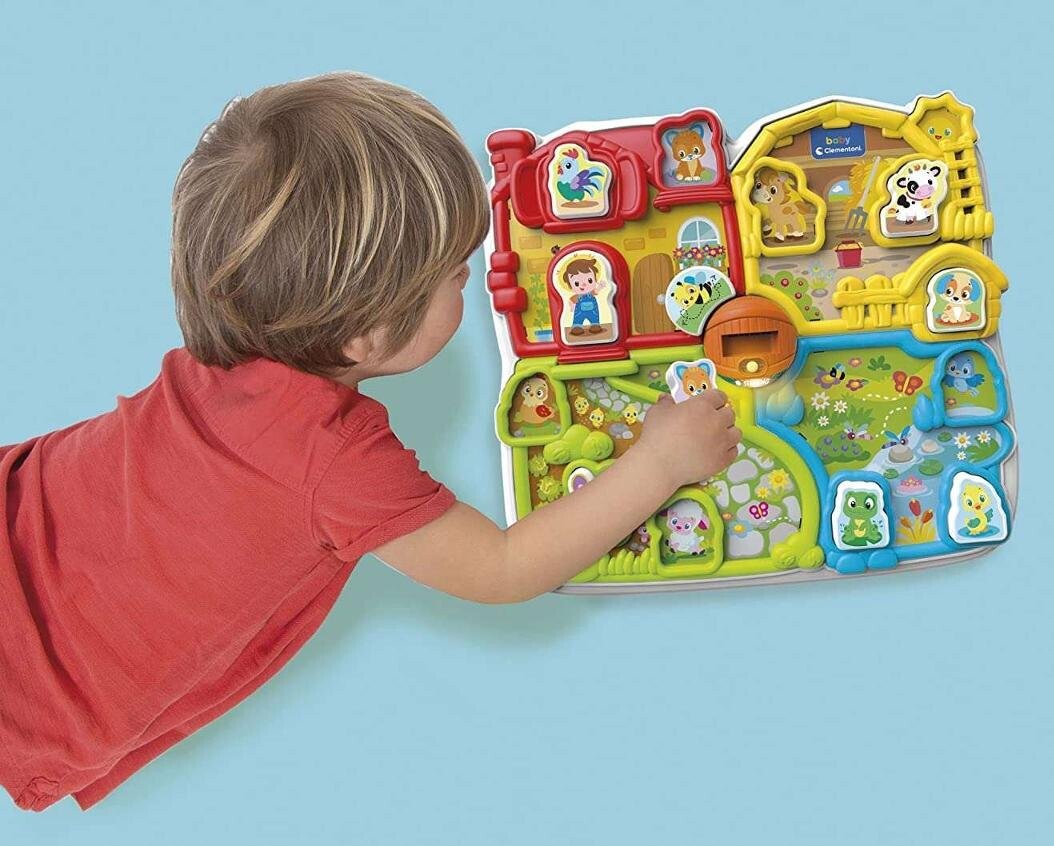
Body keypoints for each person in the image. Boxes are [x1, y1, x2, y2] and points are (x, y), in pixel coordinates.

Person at [0, 72, 740, 812]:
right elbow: (503, 568)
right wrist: (659, 463)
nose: (473, 279)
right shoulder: (338, 464)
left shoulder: (218, 359)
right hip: (27, 689)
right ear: (364, 336)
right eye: (454, 275)